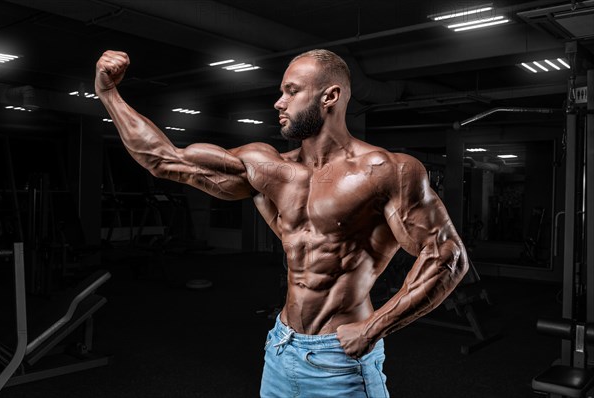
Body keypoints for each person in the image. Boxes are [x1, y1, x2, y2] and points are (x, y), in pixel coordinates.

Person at [95, 48, 469, 397]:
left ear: (329, 97)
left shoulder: (386, 171)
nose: (279, 102)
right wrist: (109, 94)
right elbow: (165, 159)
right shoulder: (268, 167)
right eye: (281, 92)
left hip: (339, 360)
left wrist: (374, 328)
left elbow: (447, 256)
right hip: (280, 347)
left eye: (291, 92)